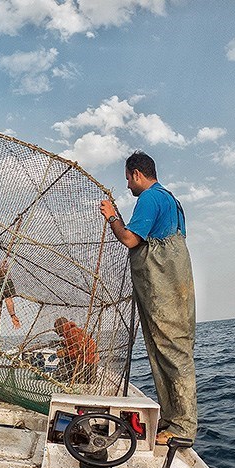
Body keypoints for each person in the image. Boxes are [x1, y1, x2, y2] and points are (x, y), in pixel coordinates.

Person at [99, 151, 197, 445]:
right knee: (162, 349)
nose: (128, 185)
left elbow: (130, 239)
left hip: (163, 287)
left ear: (137, 174)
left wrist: (112, 216)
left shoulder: (150, 198)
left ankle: (183, 428)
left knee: (171, 350)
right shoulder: (171, 200)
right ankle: (171, 419)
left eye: (128, 179)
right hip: (174, 286)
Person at [53, 317, 98, 384]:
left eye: (56, 328)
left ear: (61, 326)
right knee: (82, 380)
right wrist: (63, 344)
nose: (56, 330)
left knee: (88, 382)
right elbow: (74, 344)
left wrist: (65, 352)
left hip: (88, 359)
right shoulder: (69, 332)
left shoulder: (73, 332)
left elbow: (80, 350)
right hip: (85, 359)